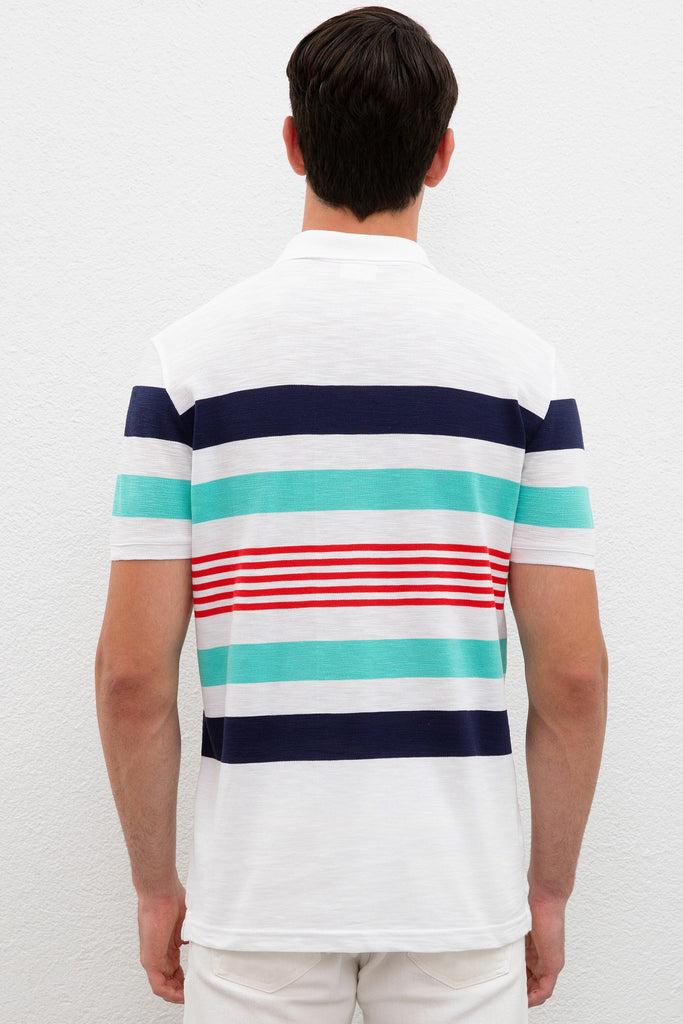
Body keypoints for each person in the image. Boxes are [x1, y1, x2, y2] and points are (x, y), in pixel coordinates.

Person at [95, 7, 608, 1023]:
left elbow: (131, 677)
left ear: (293, 144)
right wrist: (547, 891)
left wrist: (155, 888)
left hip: (259, 902)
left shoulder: (187, 367)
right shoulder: (523, 374)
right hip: (457, 900)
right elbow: (573, 677)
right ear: (441, 156)